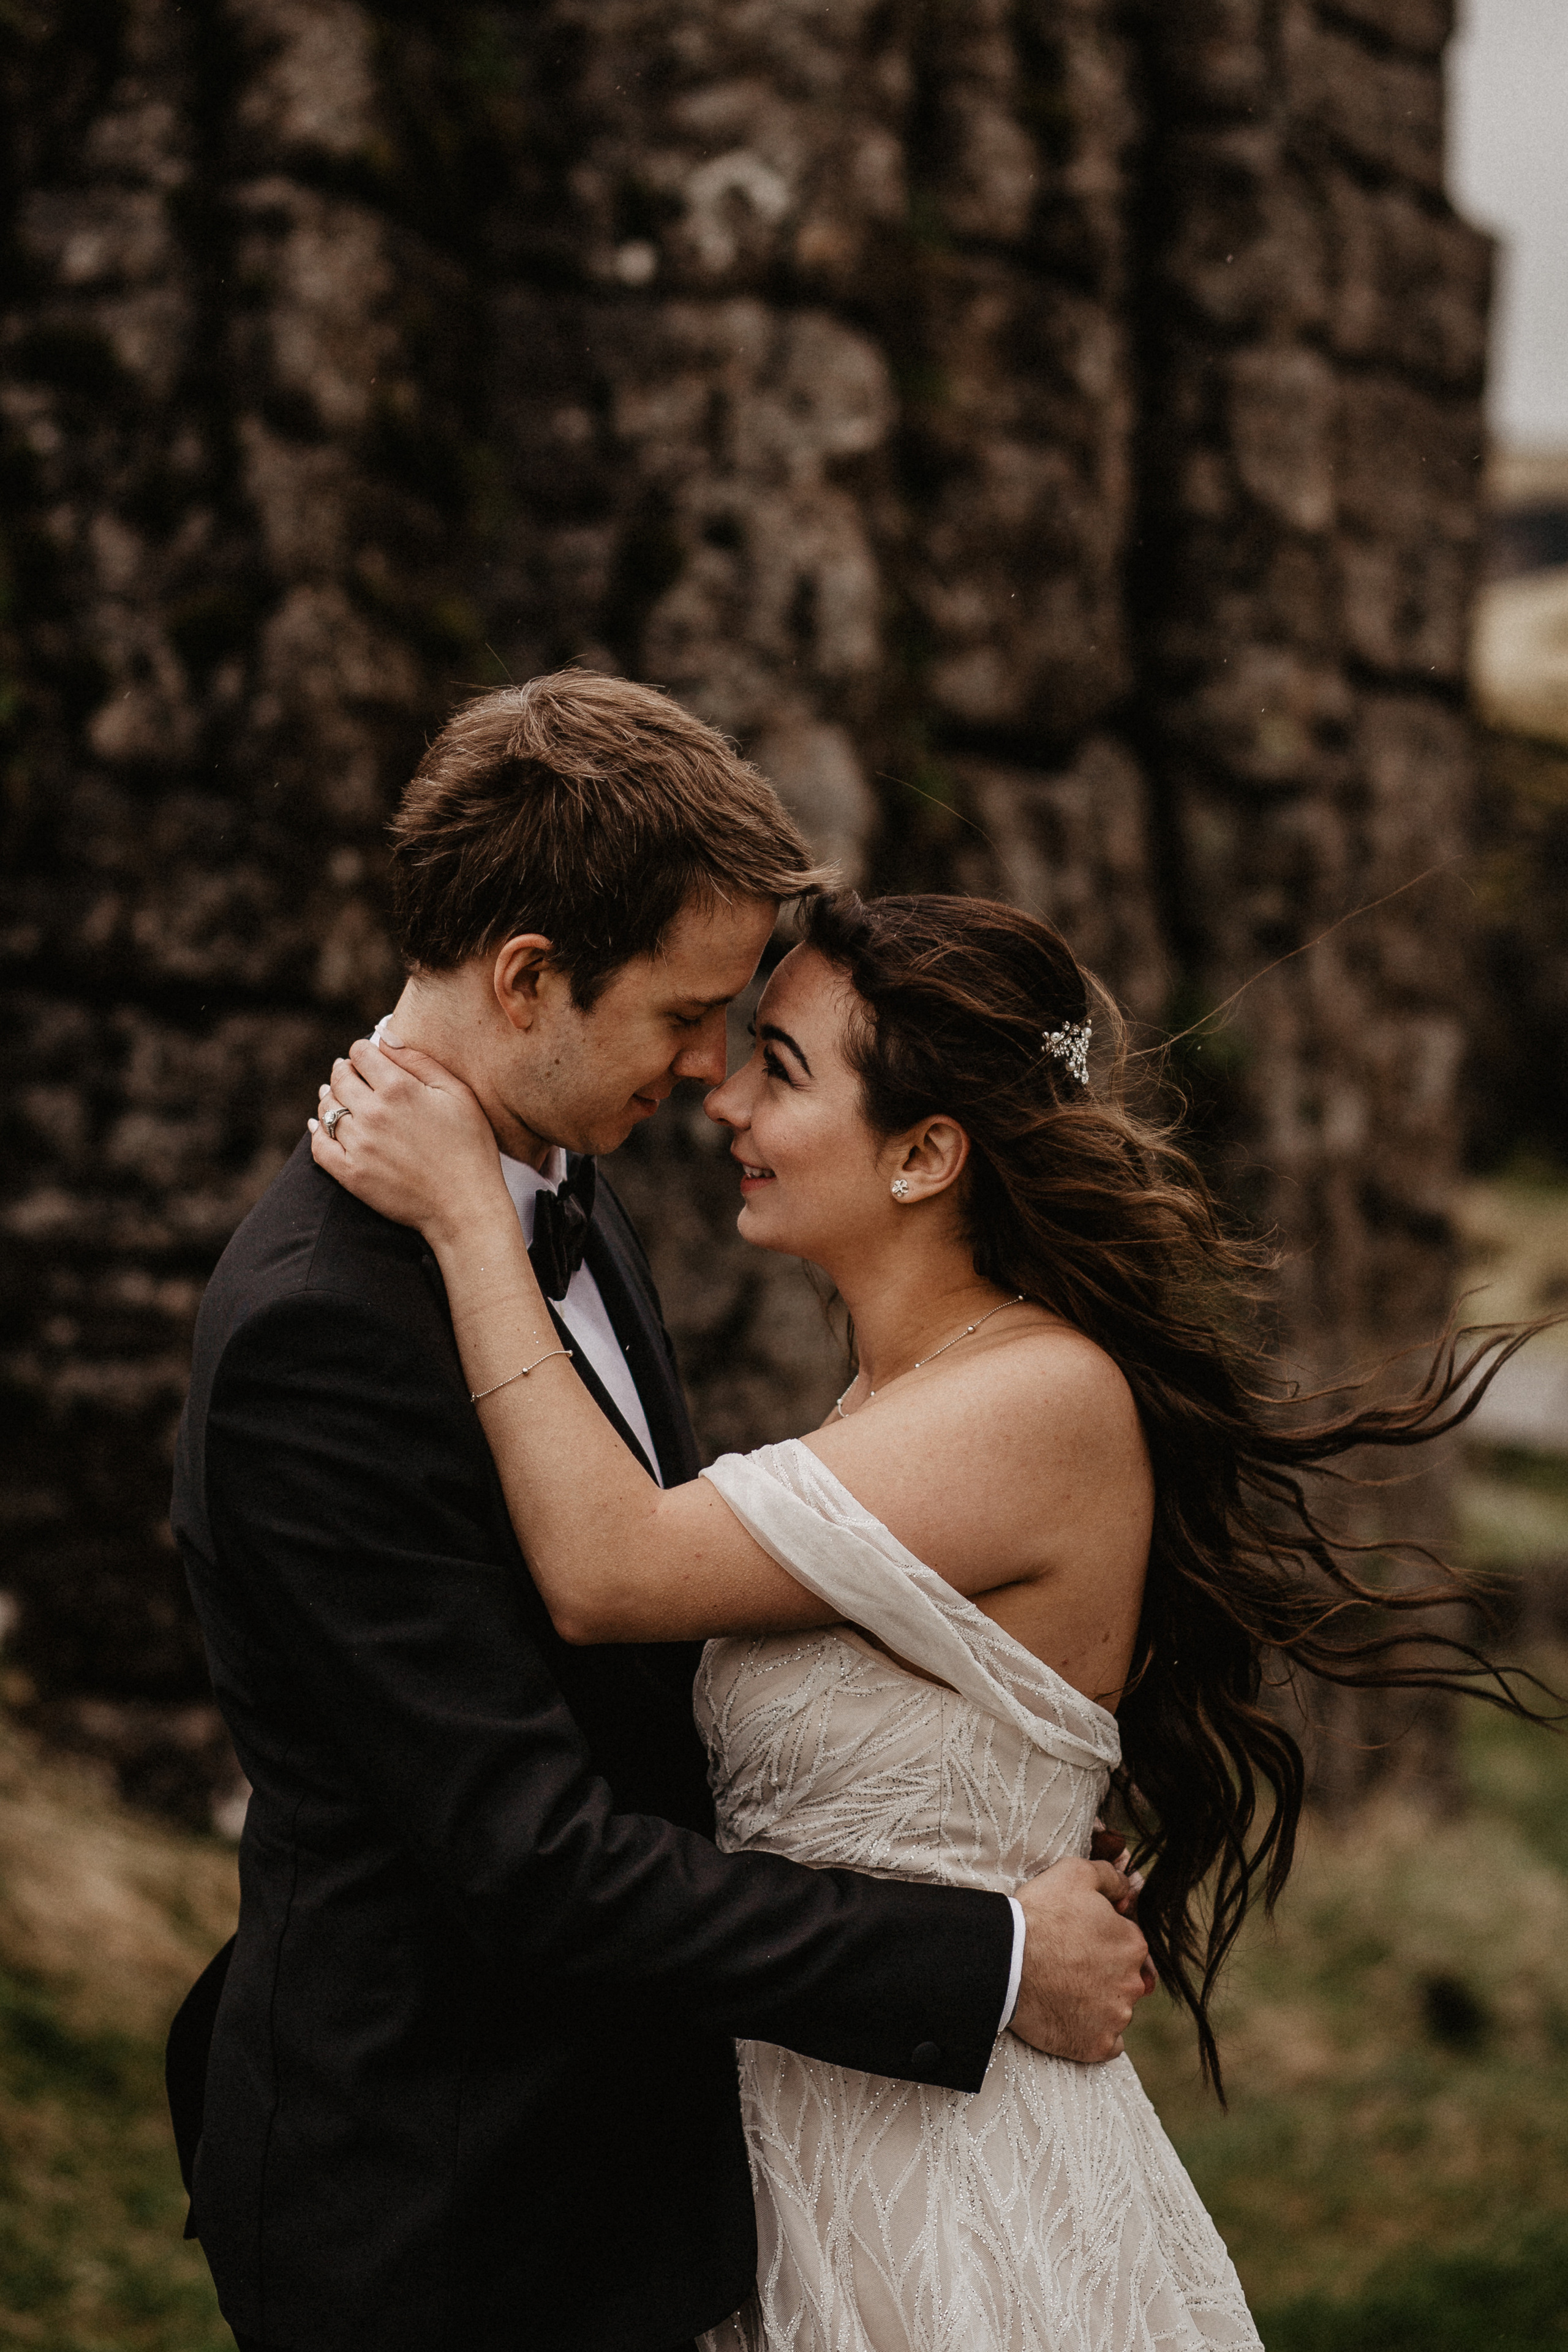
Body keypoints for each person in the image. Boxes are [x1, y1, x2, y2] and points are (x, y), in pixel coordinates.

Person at [313, 882, 1547, 2352]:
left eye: (777, 1067)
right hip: (799, 2158)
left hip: (947, 2198)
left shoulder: (1031, 1401)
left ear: (922, 1154)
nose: (720, 1099)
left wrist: (465, 1216)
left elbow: (609, 1566)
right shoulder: (898, 1403)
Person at [166, 674, 1152, 2352]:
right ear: (531, 978)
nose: (710, 1077)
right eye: (690, 1016)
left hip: (652, 2164)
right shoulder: (321, 1327)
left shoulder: (563, 1190)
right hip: (447, 2196)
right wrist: (984, 1957)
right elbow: (533, 1862)